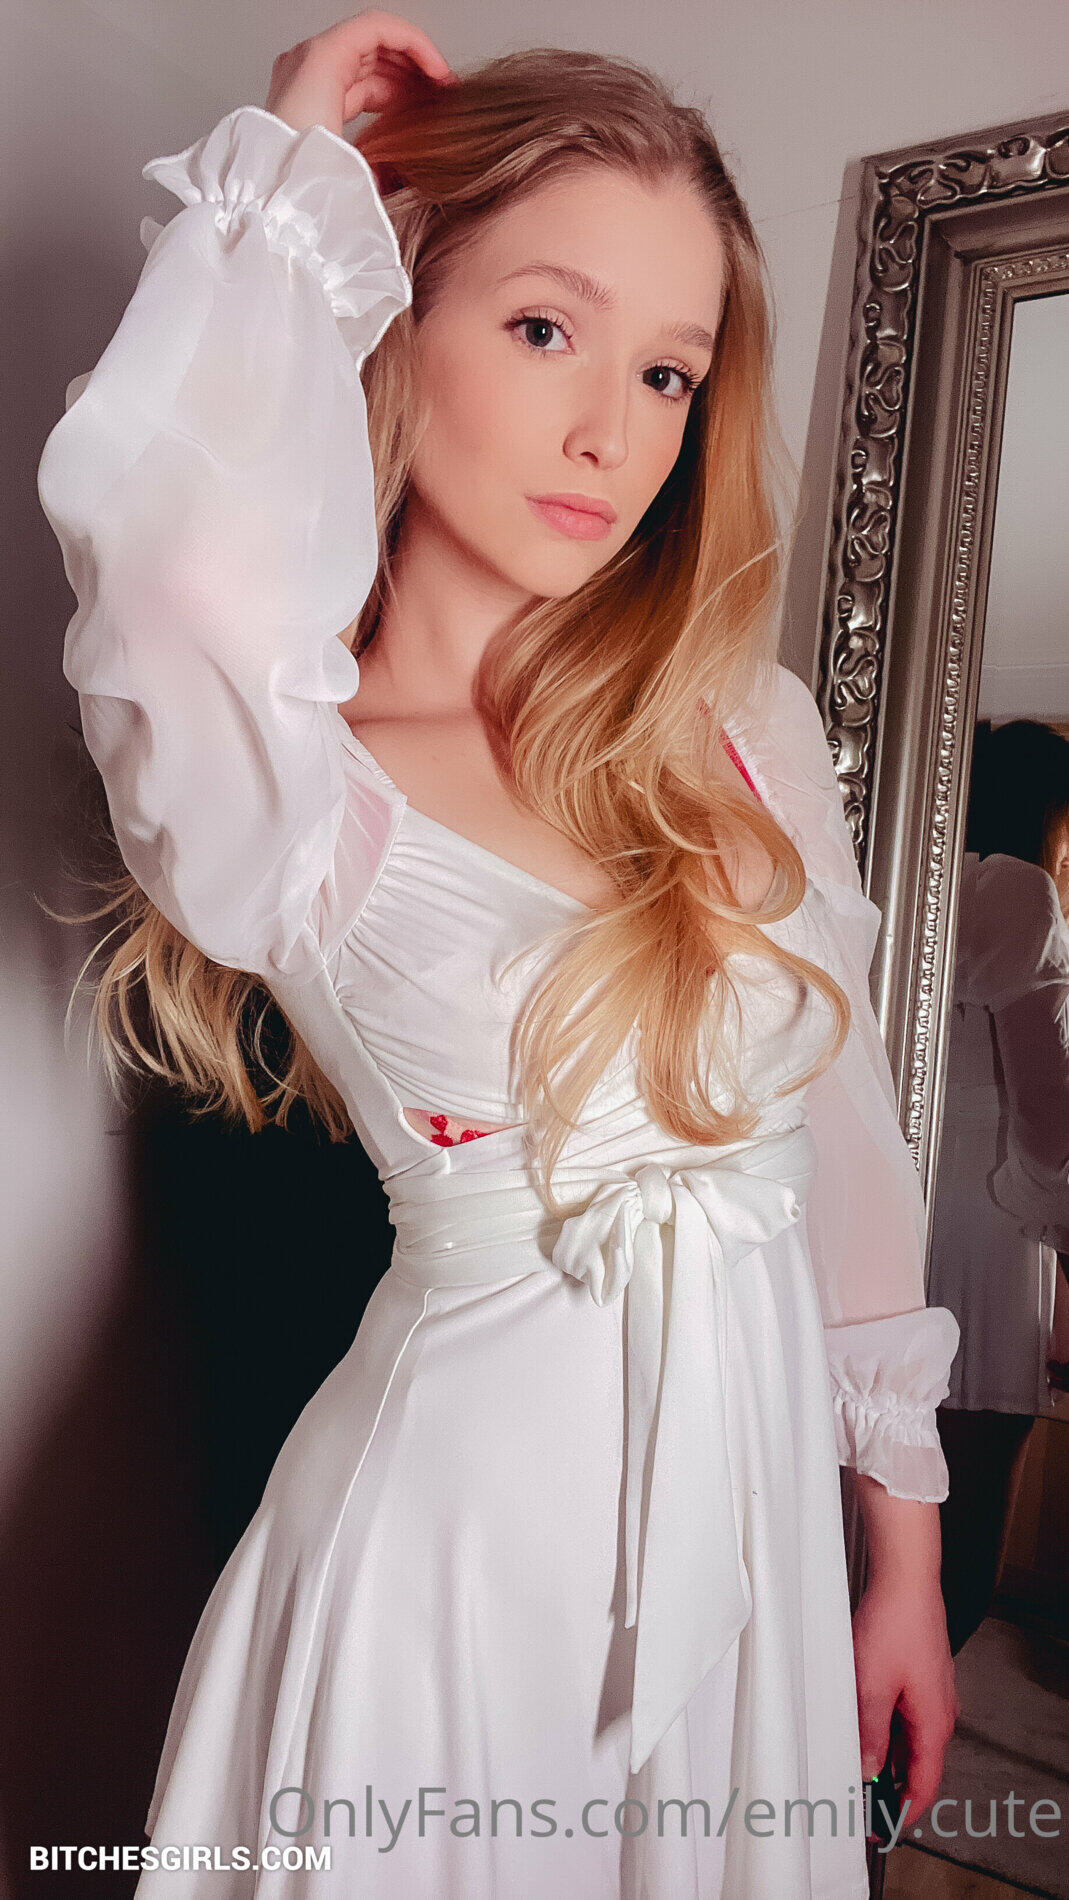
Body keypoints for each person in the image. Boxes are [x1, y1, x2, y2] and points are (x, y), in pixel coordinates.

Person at [36, 13, 961, 1896]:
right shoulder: (292, 781)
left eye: (667, 369)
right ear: (399, 318)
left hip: (750, 1565)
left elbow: (844, 1146)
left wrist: (906, 1557)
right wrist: (297, 174)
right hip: (448, 1573)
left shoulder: (739, 732)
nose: (612, 430)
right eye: (544, 328)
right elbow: (163, 559)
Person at [927, 719, 1069, 1656]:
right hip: (990, 1215)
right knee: (969, 1497)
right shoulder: (1019, 889)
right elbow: (1047, 1125)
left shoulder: (917, 880)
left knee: (881, 1476)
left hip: (905, 1203)